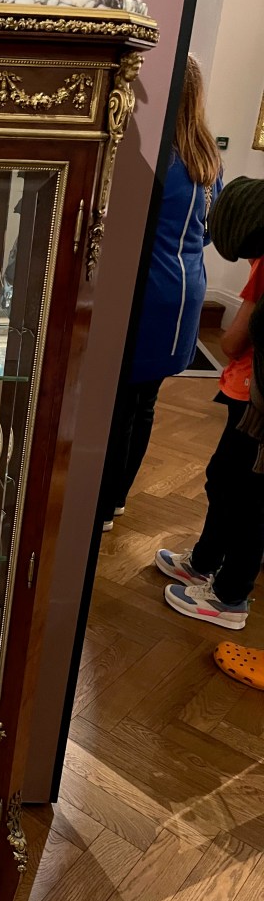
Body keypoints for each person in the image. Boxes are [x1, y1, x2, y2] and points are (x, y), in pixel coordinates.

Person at [100, 55, 223, 530]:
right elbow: (209, 229)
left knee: (120, 405)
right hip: (187, 285)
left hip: (148, 288)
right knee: (143, 401)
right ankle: (116, 501)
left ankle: (103, 501)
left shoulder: (153, 153)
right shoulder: (206, 153)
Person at [155, 176, 264, 635]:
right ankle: (205, 561)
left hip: (258, 402)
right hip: (250, 394)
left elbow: (236, 336)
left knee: (247, 496)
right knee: (226, 481)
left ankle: (230, 596)